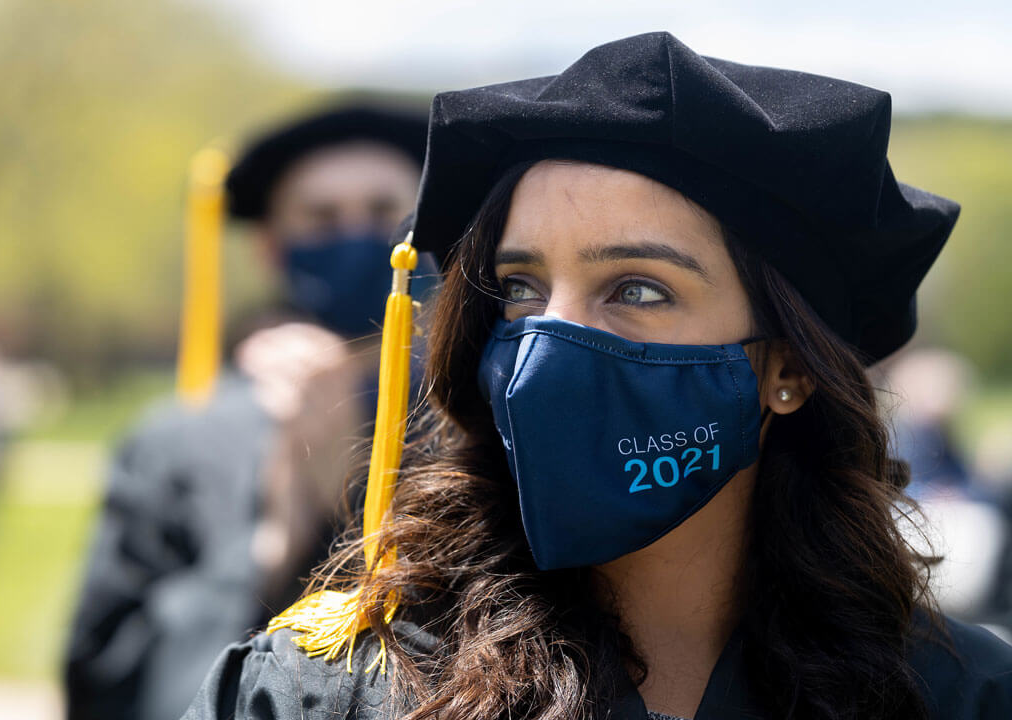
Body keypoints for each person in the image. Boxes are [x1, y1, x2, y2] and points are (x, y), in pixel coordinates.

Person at [181, 32, 1012, 720]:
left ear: (787, 366)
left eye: (637, 289)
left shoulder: (958, 695)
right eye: (520, 288)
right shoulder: (330, 691)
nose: (551, 343)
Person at [63, 103, 429, 720]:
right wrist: (270, 544)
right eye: (321, 217)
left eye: (383, 212)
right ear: (270, 246)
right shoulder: (178, 440)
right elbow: (103, 675)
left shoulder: (475, 423)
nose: (356, 236)